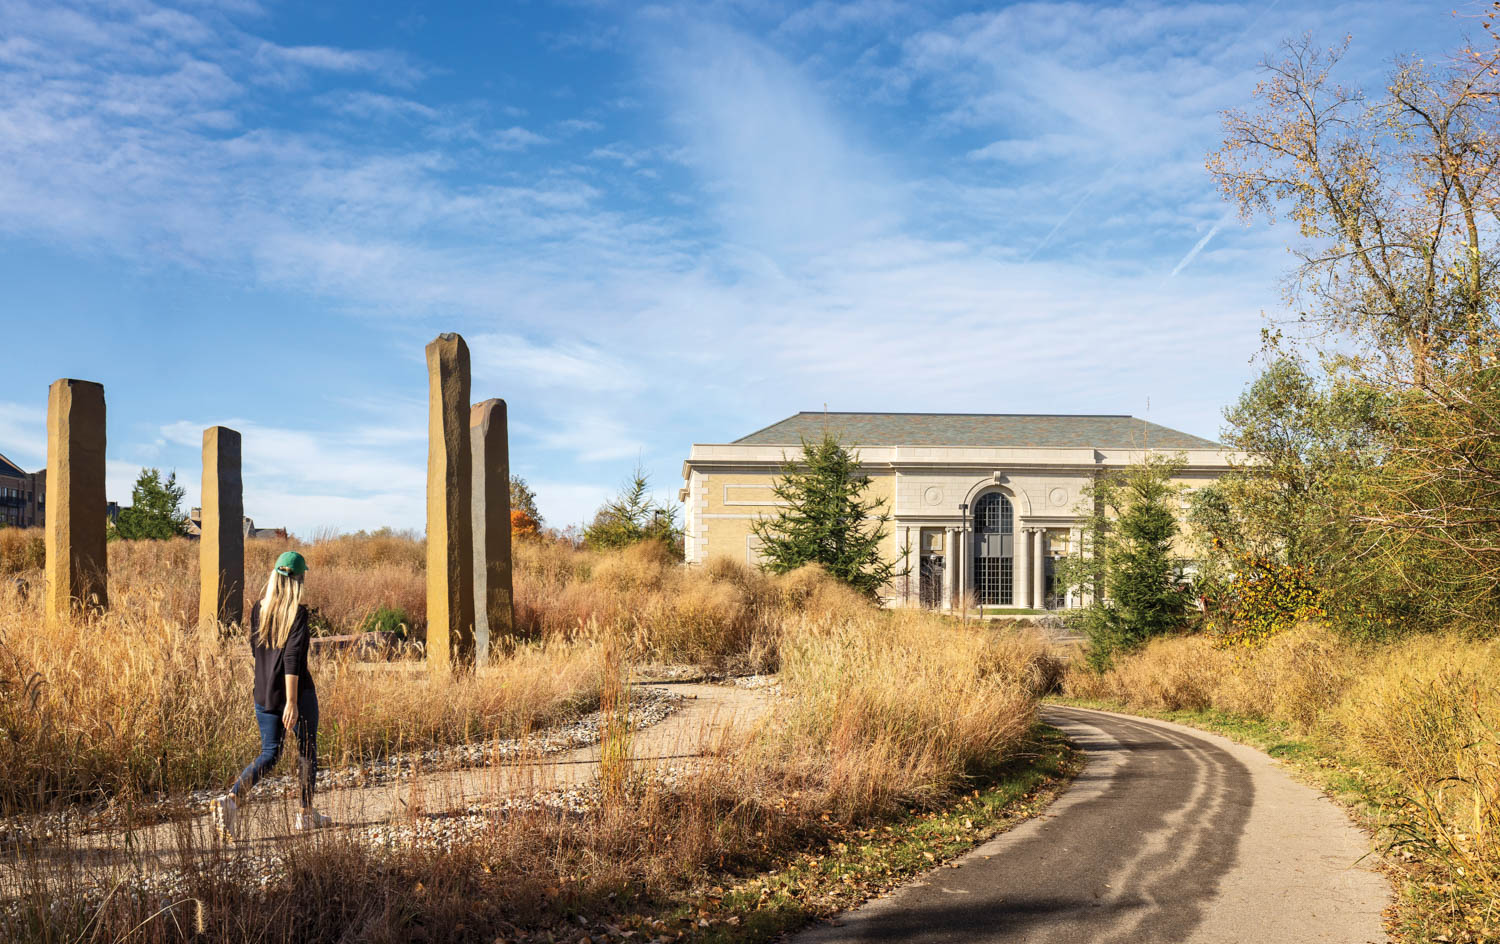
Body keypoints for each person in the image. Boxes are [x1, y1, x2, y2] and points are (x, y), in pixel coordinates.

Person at [211, 551, 330, 837]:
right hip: (297, 694)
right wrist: (291, 701)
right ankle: (304, 814)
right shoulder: (298, 613)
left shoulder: (258, 609)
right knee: (306, 751)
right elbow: (292, 658)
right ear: (299, 580)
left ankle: (231, 800)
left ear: (275, 575)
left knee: (269, 753)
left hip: (263, 694)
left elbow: (256, 651)